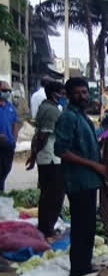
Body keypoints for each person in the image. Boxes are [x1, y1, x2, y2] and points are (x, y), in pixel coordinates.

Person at [54, 77, 105, 276]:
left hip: (90, 180)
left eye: (84, 92)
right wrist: (93, 164)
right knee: (81, 226)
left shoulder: (82, 116)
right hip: (78, 181)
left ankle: (85, 264)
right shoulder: (68, 117)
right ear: (68, 95)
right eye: (78, 93)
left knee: (88, 225)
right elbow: (62, 150)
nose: (82, 96)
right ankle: (79, 268)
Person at [28, 81, 67, 240]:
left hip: (46, 156)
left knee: (47, 194)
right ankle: (47, 228)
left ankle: (45, 226)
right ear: (54, 94)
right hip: (51, 157)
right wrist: (35, 153)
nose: (64, 97)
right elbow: (44, 135)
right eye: (62, 93)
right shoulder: (51, 111)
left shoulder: (45, 107)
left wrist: (33, 155)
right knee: (54, 194)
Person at [0, 80, 19, 191]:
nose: (7, 92)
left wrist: (14, 141)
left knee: (5, 170)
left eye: (8, 90)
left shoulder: (11, 108)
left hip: (8, 146)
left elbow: (14, 126)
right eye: (4, 90)